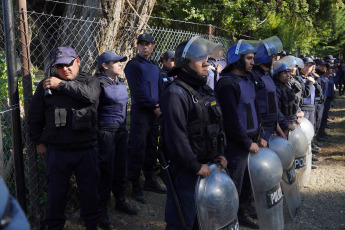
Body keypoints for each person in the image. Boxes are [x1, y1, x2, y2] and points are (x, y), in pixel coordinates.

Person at [28, 46, 101, 230]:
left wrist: (60, 85)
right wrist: (39, 141)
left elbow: (90, 96)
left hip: (86, 150)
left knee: (90, 193)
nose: (64, 69)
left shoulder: (90, 81)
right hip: (58, 151)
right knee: (55, 196)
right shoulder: (45, 85)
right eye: (59, 66)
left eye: (68, 64)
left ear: (77, 61)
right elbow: (35, 116)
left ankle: (91, 225)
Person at [160, 36, 227, 230]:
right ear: (184, 65)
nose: (207, 62)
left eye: (207, 57)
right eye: (200, 59)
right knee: (182, 220)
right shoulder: (175, 93)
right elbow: (176, 137)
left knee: (204, 218)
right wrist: (195, 165)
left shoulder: (205, 90)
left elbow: (217, 125)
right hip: (186, 171)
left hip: (208, 167)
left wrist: (220, 153)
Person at [215, 40, 267, 229]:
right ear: (237, 59)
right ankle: (229, 219)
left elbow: (254, 109)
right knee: (235, 184)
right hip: (237, 145)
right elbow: (230, 120)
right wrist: (246, 143)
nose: (253, 62)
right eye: (249, 58)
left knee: (247, 182)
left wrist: (259, 135)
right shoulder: (227, 83)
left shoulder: (247, 79)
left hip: (251, 140)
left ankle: (241, 214)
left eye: (253, 58)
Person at [96, 51, 138, 229]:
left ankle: (120, 201)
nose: (120, 64)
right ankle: (102, 209)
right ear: (105, 66)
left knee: (121, 168)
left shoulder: (119, 82)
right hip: (106, 134)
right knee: (106, 172)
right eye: (116, 62)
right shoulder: (98, 83)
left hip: (121, 133)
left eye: (121, 62)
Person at [124, 33, 167, 205]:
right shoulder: (133, 65)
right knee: (137, 149)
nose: (144, 47)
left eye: (148, 44)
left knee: (151, 147)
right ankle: (135, 186)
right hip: (141, 113)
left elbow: (161, 88)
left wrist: (160, 106)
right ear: (137, 46)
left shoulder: (155, 67)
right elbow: (137, 93)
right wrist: (154, 107)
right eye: (141, 44)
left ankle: (149, 180)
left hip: (154, 114)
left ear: (153, 46)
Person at [251, 36, 285, 141]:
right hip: (261, 130)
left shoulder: (267, 74)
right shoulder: (254, 76)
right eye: (273, 57)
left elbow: (272, 101)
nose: (275, 60)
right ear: (265, 58)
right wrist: (260, 134)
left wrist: (276, 124)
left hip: (271, 127)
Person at [272, 62, 300, 137]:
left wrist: (295, 117)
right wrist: (285, 124)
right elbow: (275, 109)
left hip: (290, 122)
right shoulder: (276, 88)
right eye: (284, 73)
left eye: (289, 72)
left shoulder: (287, 86)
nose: (288, 75)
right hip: (282, 125)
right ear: (277, 75)